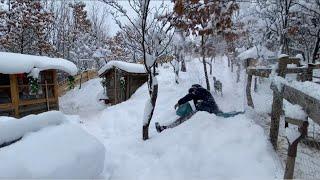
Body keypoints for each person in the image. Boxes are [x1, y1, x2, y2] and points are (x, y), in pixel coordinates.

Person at [155, 84, 244, 133]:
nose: (192, 93)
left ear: (195, 88)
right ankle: (166, 127)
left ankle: (166, 128)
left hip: (208, 110)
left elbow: (190, 96)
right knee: (188, 116)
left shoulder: (199, 91)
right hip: (210, 109)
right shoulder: (203, 94)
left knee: (187, 117)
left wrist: (179, 102)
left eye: (192, 91)